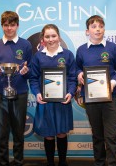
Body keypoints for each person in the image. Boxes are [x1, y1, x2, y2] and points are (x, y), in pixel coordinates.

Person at [76, 15, 116, 166]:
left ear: (104, 29)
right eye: (94, 26)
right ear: (87, 31)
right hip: (90, 99)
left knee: (111, 136)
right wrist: (78, 74)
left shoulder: (113, 48)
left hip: (109, 98)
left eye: (100, 26)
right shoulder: (81, 50)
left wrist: (113, 81)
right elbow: (76, 68)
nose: (98, 29)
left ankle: (113, 164)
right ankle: (99, 162)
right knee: (97, 135)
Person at [0, 11, 32, 166]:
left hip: (20, 93)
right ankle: (2, 162)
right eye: (6, 25)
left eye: (12, 25)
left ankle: (18, 161)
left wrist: (26, 72)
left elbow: (31, 71)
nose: (9, 28)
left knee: (19, 132)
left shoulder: (26, 44)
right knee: (1, 133)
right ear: (2, 26)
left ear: (17, 25)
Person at [29, 24, 77, 166]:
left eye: (53, 36)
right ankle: (50, 162)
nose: (51, 39)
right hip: (45, 102)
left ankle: (62, 162)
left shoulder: (67, 55)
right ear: (42, 39)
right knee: (49, 134)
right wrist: (37, 93)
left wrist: (70, 92)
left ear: (59, 37)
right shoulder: (38, 56)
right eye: (47, 36)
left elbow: (72, 78)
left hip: (63, 101)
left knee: (62, 133)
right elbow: (33, 78)